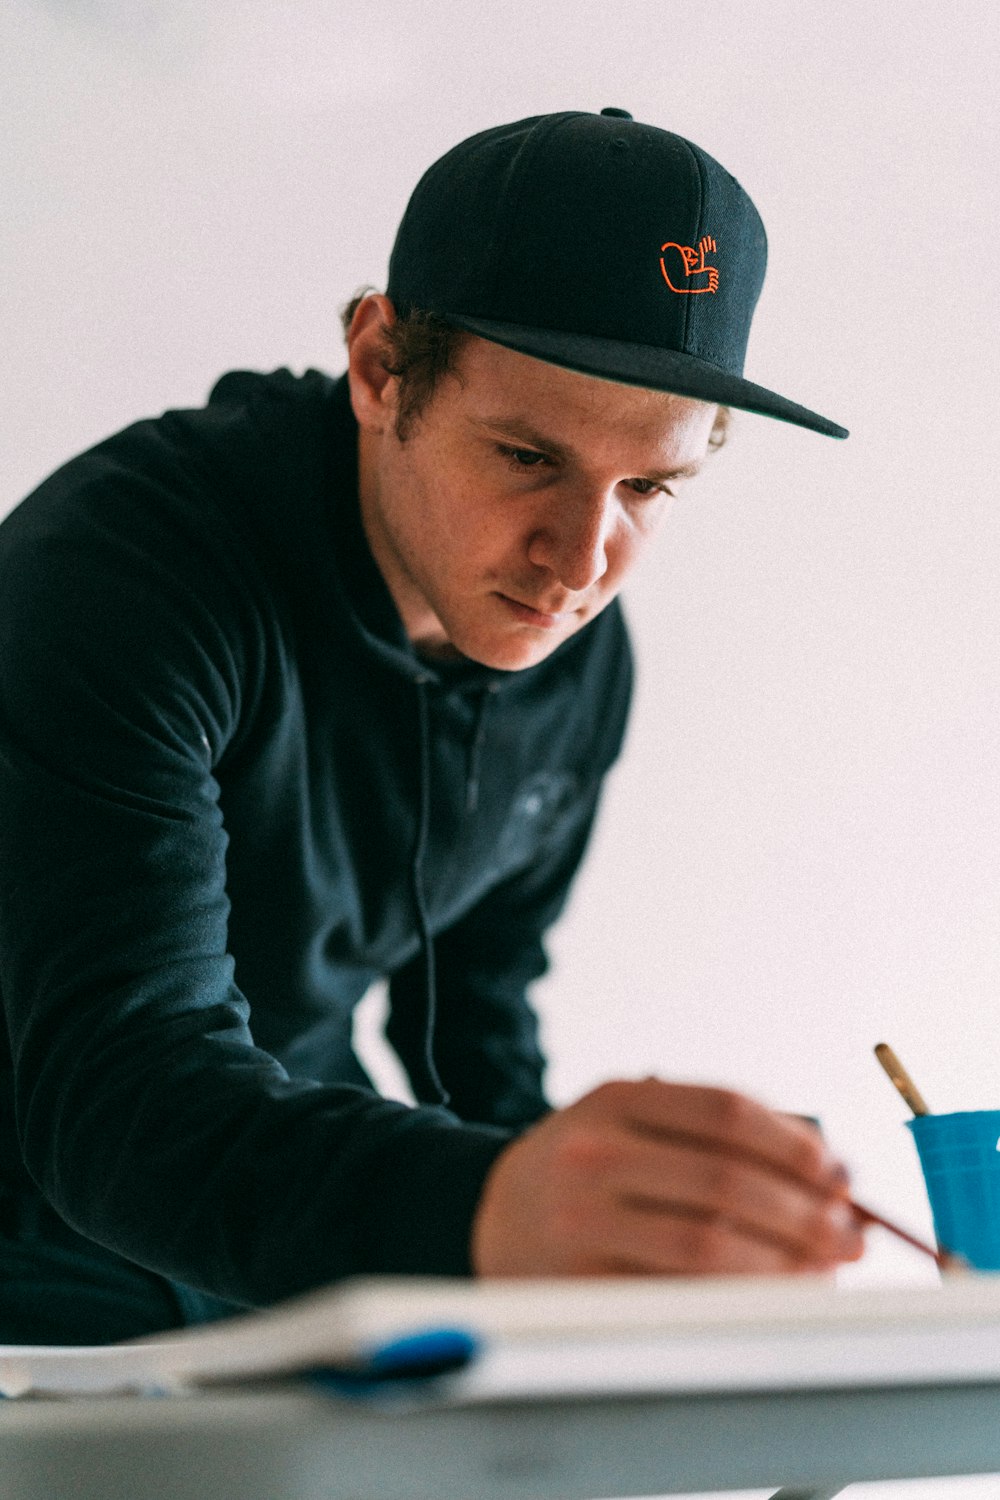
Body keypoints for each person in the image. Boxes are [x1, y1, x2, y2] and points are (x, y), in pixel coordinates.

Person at [0, 107, 863, 1347]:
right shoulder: (124, 581)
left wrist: (621, 1255)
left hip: (288, 1243)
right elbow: (120, 1097)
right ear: (378, 367)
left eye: (648, 488)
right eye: (525, 455)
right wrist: (489, 1213)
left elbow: (476, 1017)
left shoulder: (577, 645)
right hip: (42, 1231)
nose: (579, 560)